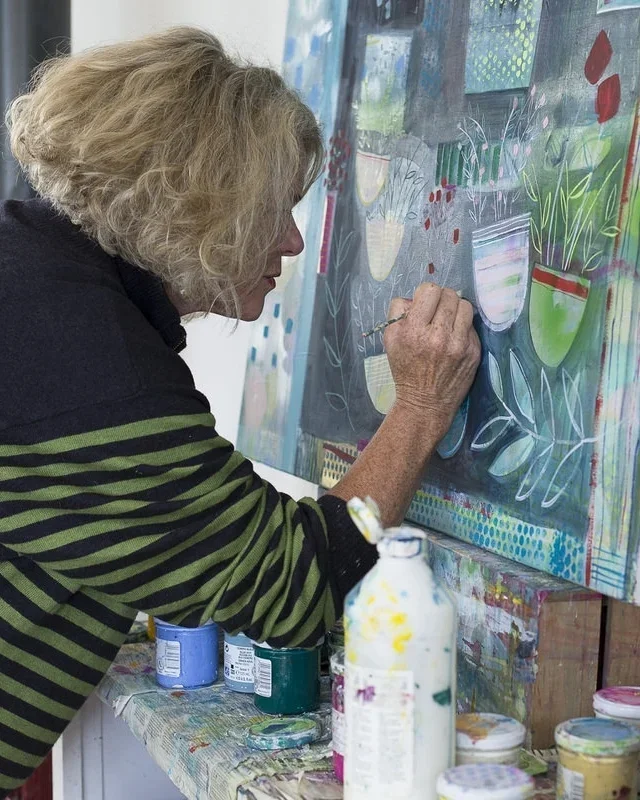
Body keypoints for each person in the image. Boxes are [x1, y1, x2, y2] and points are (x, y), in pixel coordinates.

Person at [0, 26, 480, 792]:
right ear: (202, 201)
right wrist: (419, 407)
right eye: (279, 207)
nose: (293, 241)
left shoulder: (35, 274)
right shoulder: (91, 367)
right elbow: (295, 589)